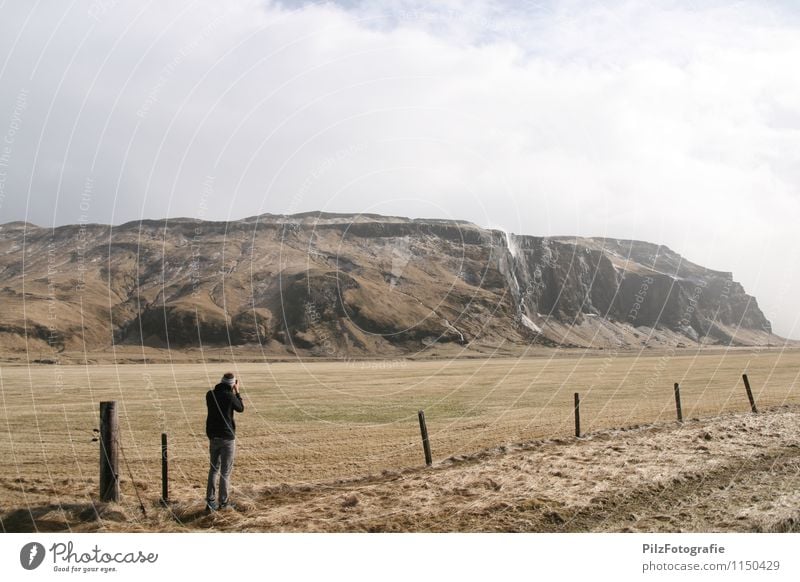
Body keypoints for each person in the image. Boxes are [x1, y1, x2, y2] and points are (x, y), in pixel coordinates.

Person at [205, 372, 244, 511]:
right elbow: (240, 408)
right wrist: (237, 392)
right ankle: (223, 502)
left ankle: (210, 501)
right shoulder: (230, 396)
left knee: (213, 469)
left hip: (213, 436)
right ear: (232, 384)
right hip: (227, 437)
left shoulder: (210, 394)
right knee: (225, 472)